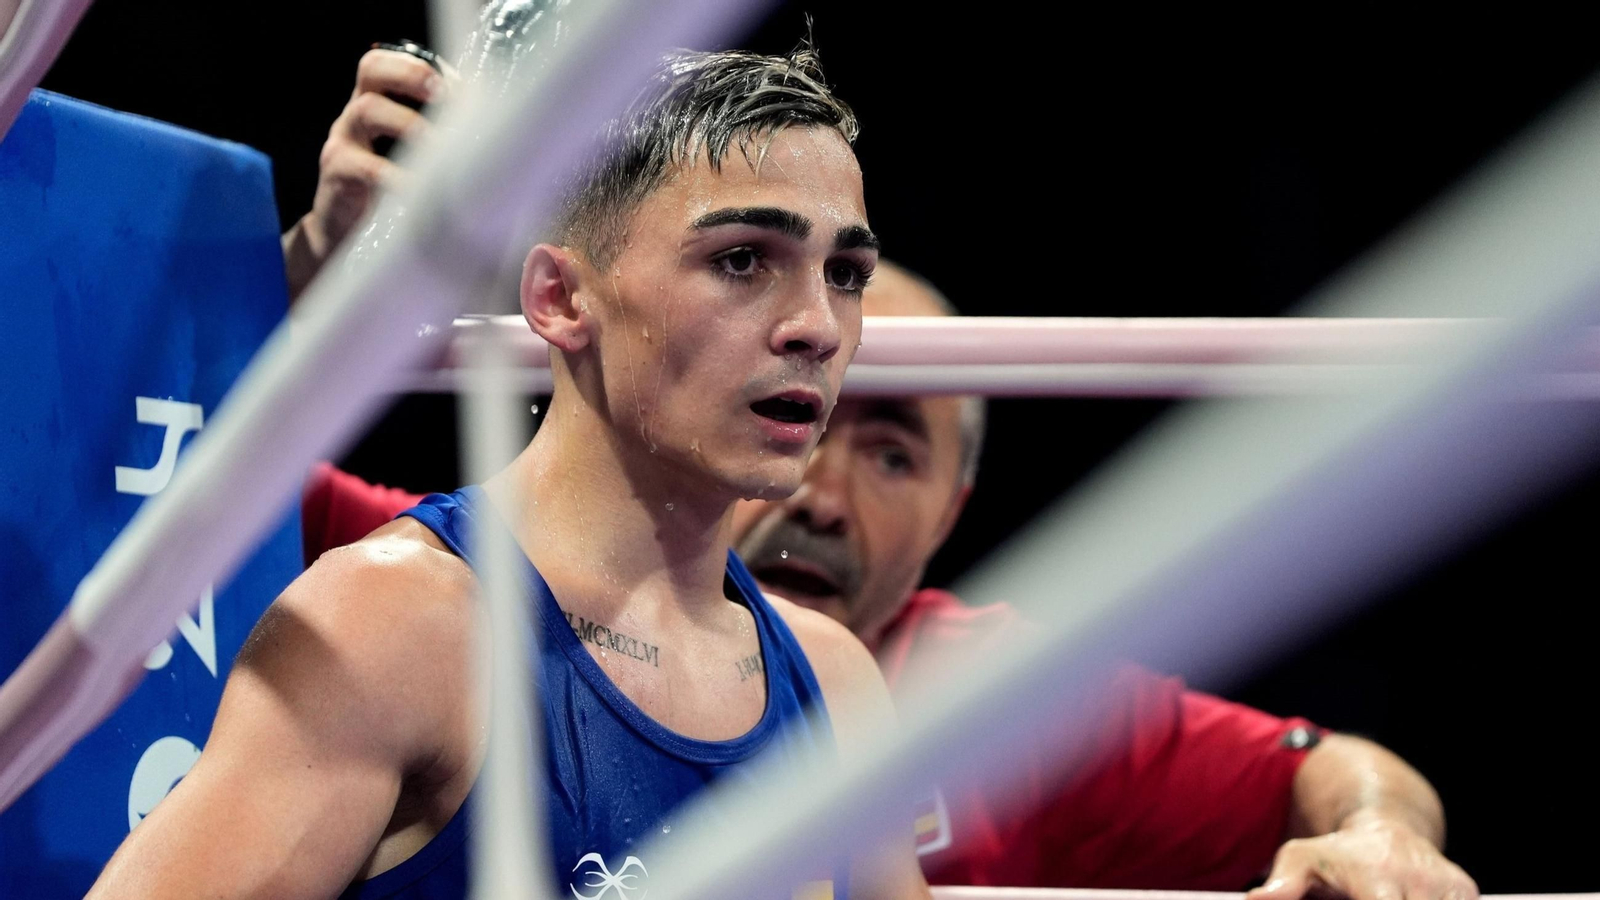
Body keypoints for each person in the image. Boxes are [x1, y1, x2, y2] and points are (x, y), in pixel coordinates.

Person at [292, 46, 1476, 900]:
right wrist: (322, 263)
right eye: (744, 267)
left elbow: (1336, 775)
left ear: (953, 508)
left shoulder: (934, 689)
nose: (821, 480)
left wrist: (1380, 837)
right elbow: (191, 497)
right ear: (569, 303)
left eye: (894, 448)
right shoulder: (427, 598)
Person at [89, 45, 928, 900]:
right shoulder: (401, 631)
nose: (818, 325)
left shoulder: (835, 683)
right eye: (742, 259)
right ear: (561, 300)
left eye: (845, 274)